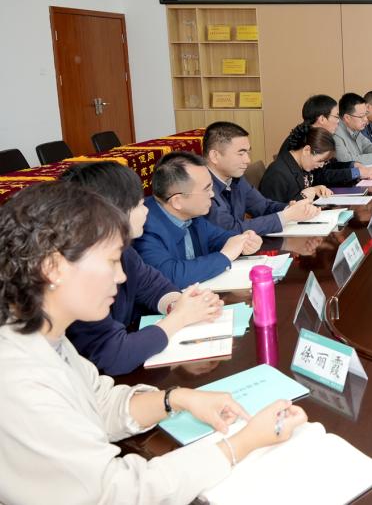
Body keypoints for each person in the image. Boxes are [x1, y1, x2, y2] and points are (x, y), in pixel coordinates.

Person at [0, 182, 308, 505]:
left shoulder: (45, 336)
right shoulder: (19, 378)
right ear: (53, 268)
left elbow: (99, 403)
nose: (121, 277)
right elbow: (117, 492)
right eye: (111, 261)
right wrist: (241, 444)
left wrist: (175, 399)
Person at [62, 162, 224, 375]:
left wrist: (179, 304)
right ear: (112, 212)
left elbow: (153, 285)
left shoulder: (124, 250)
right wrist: (179, 318)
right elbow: (114, 354)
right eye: (140, 204)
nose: (147, 209)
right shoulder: (77, 272)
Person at [135, 152, 263, 289]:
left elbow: (218, 238)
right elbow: (170, 276)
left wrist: (244, 241)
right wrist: (225, 256)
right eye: (206, 189)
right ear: (177, 201)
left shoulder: (193, 215)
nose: (212, 194)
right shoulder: (143, 226)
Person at [204, 121, 318, 235]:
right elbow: (229, 230)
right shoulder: (203, 188)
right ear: (215, 156)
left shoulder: (236, 179)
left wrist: (291, 208)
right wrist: (285, 216)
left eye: (248, 153)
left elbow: (264, 206)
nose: (248, 160)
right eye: (240, 154)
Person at [281, 95, 372, 184]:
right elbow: (319, 176)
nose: (338, 121)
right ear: (322, 119)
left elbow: (329, 166)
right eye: (336, 117)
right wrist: (356, 172)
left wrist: (352, 165)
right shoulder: (306, 139)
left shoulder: (318, 135)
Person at [260, 126, 336, 205]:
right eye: (320, 161)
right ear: (307, 150)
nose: (321, 166)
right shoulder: (278, 173)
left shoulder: (300, 165)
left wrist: (316, 189)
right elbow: (272, 209)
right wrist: (303, 196)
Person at [334, 92, 372, 164]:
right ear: (347, 118)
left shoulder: (354, 128)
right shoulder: (336, 133)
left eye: (366, 114)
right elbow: (346, 160)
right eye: (361, 116)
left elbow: (366, 146)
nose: (366, 119)